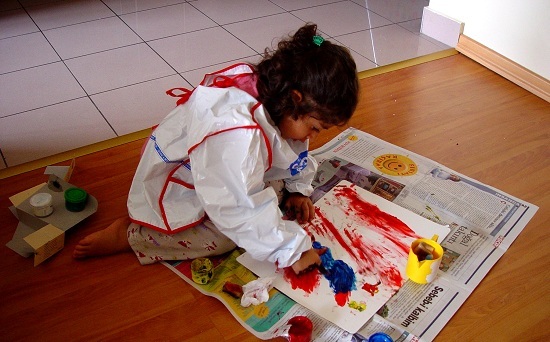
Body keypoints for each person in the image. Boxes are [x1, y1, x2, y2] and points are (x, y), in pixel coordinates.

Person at [73, 23, 359, 274]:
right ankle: (133, 235)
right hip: (189, 180)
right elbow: (237, 208)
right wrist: (292, 251)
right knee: (225, 237)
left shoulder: (282, 97)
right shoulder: (235, 130)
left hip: (228, 169)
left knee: (275, 194)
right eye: (315, 128)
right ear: (295, 99)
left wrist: (298, 188)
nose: (312, 136)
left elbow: (295, 148)